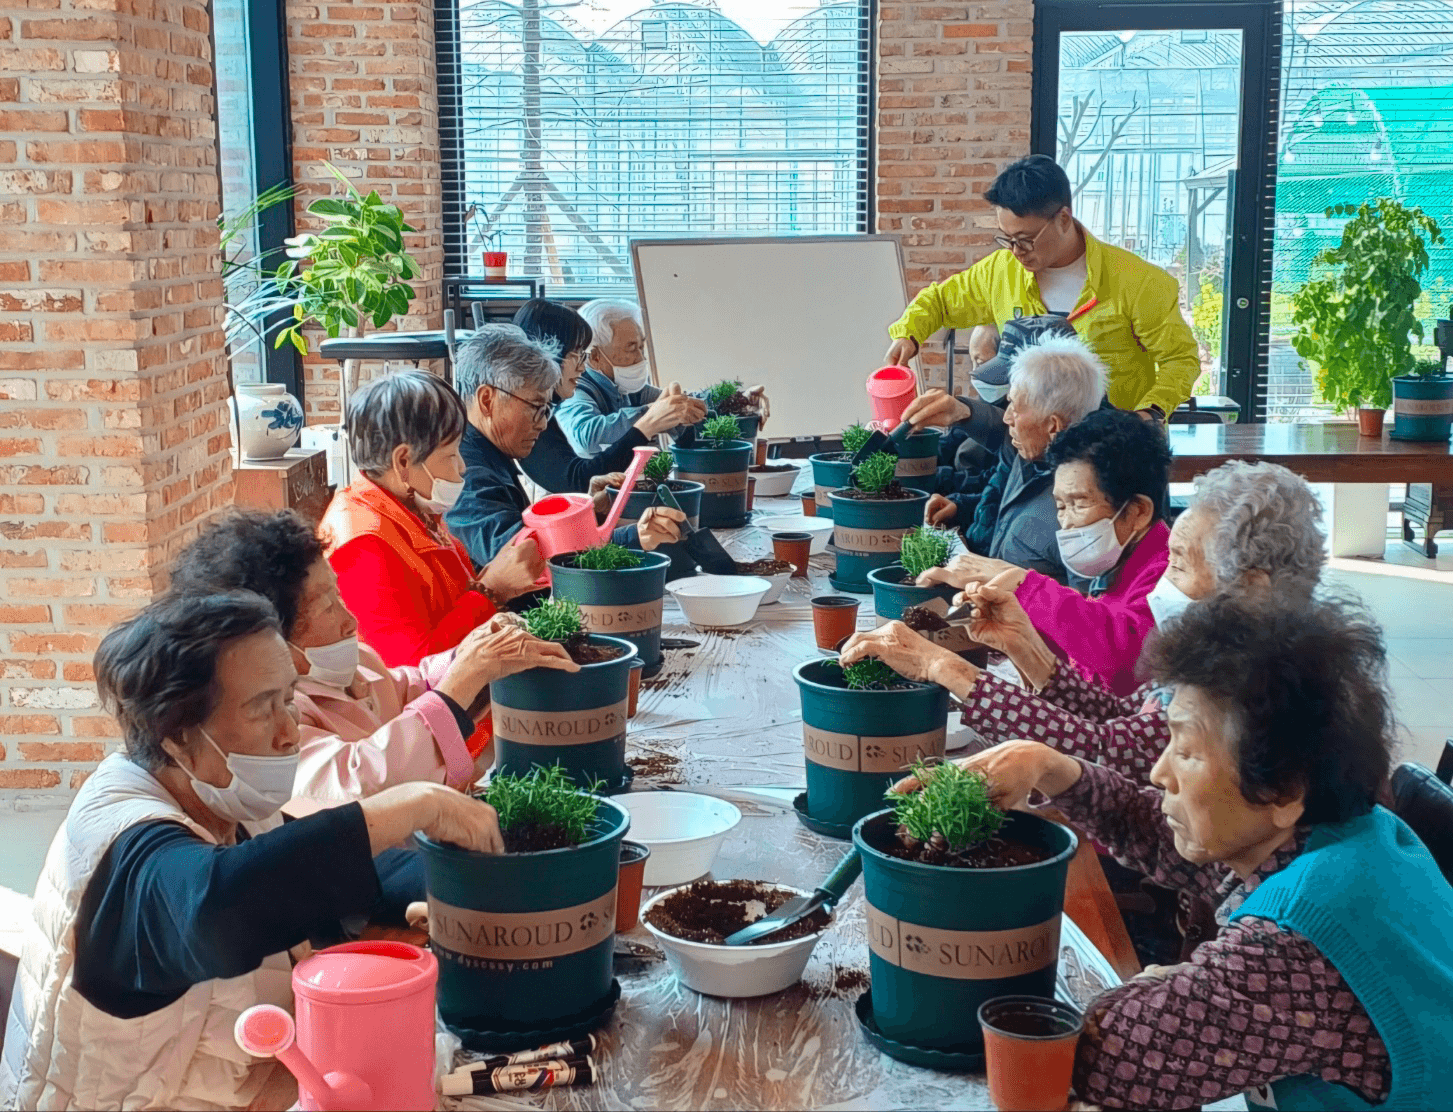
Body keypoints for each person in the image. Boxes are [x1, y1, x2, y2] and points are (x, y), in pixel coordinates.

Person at [876, 596, 1453, 1109]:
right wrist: (1047, 765)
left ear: (1282, 789)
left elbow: (1103, 1059)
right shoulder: (1341, 833)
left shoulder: (1293, 950)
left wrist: (1161, 986)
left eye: (1189, 752)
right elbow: (1157, 831)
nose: (1158, 772)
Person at [0, 592, 508, 1111]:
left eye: (288, 699)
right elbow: (221, 907)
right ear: (176, 734)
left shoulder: (218, 794)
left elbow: (329, 872)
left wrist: (479, 887)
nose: (290, 733)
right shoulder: (125, 844)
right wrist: (410, 807)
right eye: (263, 708)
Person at [848, 460, 1326, 785]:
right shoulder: (1223, 651)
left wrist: (939, 666)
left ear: (1252, 587)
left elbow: (1107, 749)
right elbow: (1116, 716)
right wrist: (1023, 646)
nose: (1162, 579)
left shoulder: (1253, 680)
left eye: (1179, 564)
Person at [169, 509, 578, 800]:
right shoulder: (272, 717)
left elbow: (412, 685)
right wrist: (460, 684)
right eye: (326, 607)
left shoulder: (355, 663)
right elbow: (356, 783)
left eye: (338, 596)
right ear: (271, 635)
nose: (350, 620)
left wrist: (474, 655)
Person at [884, 154, 1198, 421]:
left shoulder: (1138, 282)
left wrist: (1150, 413)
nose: (1015, 251)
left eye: (1025, 239)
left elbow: (1180, 360)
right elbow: (939, 301)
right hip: (1027, 446)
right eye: (1007, 239)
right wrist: (908, 335)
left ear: (1064, 219)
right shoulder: (1000, 271)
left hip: (1112, 450)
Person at [919, 407, 1172, 696]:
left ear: (1138, 512)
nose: (1066, 523)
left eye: (1079, 503)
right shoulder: (1117, 561)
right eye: (1060, 506)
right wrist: (1018, 634)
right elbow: (1080, 663)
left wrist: (1021, 582)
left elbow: (1126, 662)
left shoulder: (1173, 573)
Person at [319, 369, 543, 669]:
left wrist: (496, 582)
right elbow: (413, 669)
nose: (462, 467)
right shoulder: (362, 546)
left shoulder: (410, 505)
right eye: (451, 455)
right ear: (403, 461)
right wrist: (492, 589)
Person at [444, 324, 685, 566]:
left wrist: (586, 512)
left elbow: (530, 536)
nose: (542, 425)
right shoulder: (464, 473)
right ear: (487, 400)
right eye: (536, 408)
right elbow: (520, 559)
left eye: (546, 410)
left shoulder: (487, 453)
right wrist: (632, 536)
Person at [926, 332, 1105, 583]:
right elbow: (1010, 511)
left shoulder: (1082, 508)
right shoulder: (1028, 457)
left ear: (1053, 425)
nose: (1006, 417)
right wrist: (961, 508)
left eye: (1015, 408)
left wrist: (1014, 581)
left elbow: (1087, 604)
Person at [512, 299, 706, 496]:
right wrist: (648, 423)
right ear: (546, 357)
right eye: (577, 355)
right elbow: (577, 479)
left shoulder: (545, 407)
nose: (582, 366)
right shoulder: (544, 406)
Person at [556, 299, 770, 458]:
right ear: (595, 357)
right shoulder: (575, 388)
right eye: (631, 348)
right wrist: (654, 414)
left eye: (641, 347)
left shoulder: (628, 388)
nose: (641, 358)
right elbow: (586, 436)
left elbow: (684, 402)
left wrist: (740, 398)